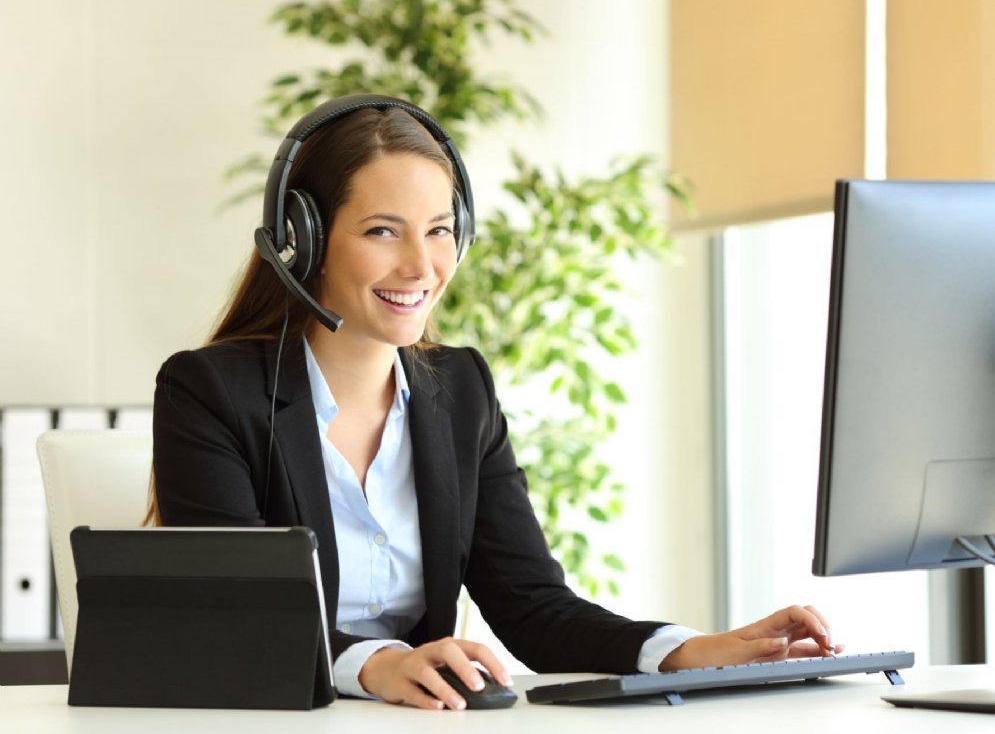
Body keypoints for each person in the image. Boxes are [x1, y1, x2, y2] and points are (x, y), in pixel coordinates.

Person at [149, 95, 842, 711]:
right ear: (305, 241)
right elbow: (241, 619)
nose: (421, 266)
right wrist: (378, 664)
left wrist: (690, 651)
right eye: (383, 231)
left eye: (439, 229)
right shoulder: (209, 393)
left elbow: (532, 607)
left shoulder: (460, 391)